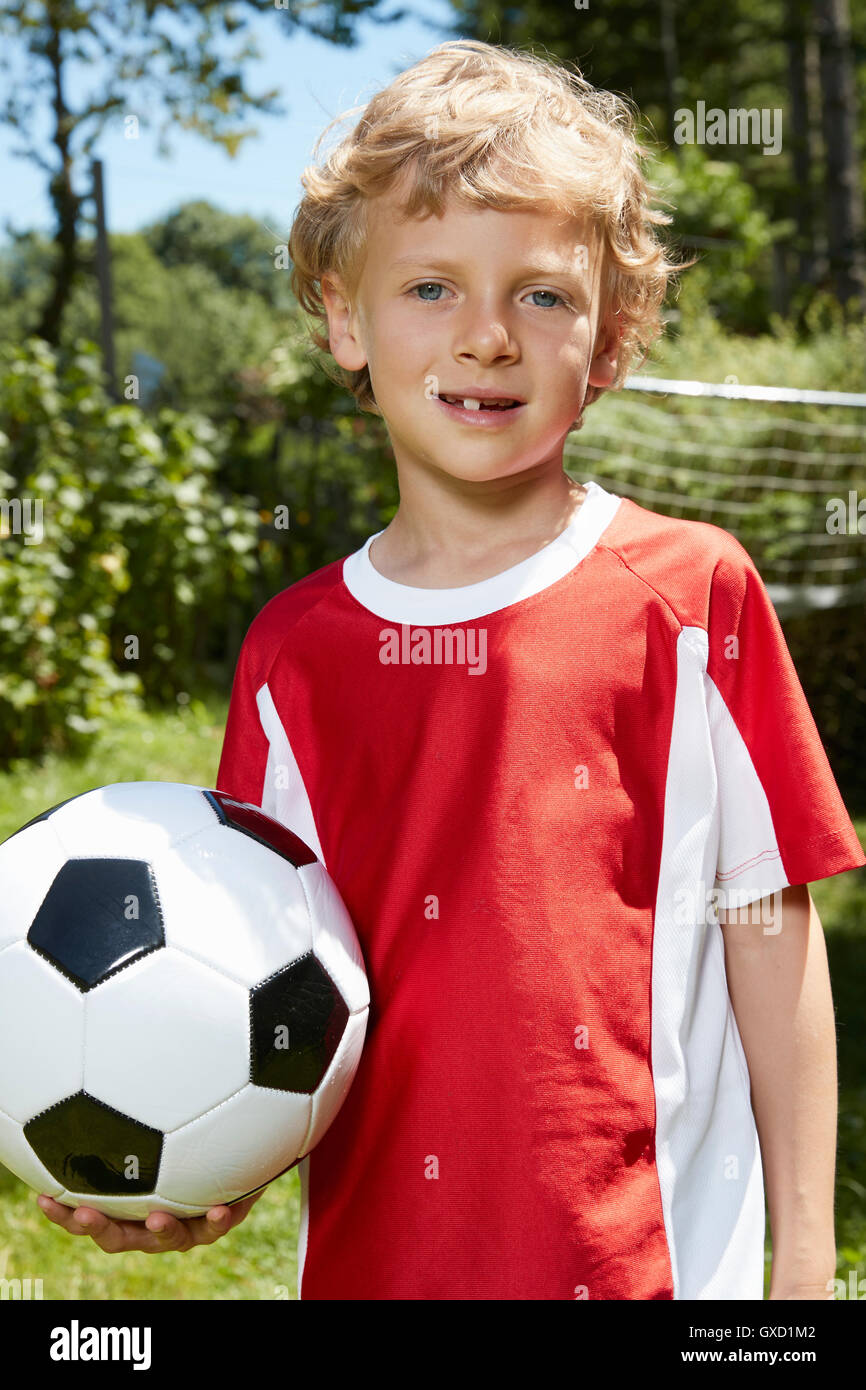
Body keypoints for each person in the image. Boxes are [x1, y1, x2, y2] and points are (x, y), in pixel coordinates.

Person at [38, 38, 865, 1300]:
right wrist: (206, 1170)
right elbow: (274, 997)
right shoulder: (291, 653)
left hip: (654, 1280)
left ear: (610, 335)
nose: (486, 338)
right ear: (341, 319)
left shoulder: (692, 595)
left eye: (540, 295)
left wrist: (804, 1269)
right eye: (430, 287)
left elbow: (768, 931)